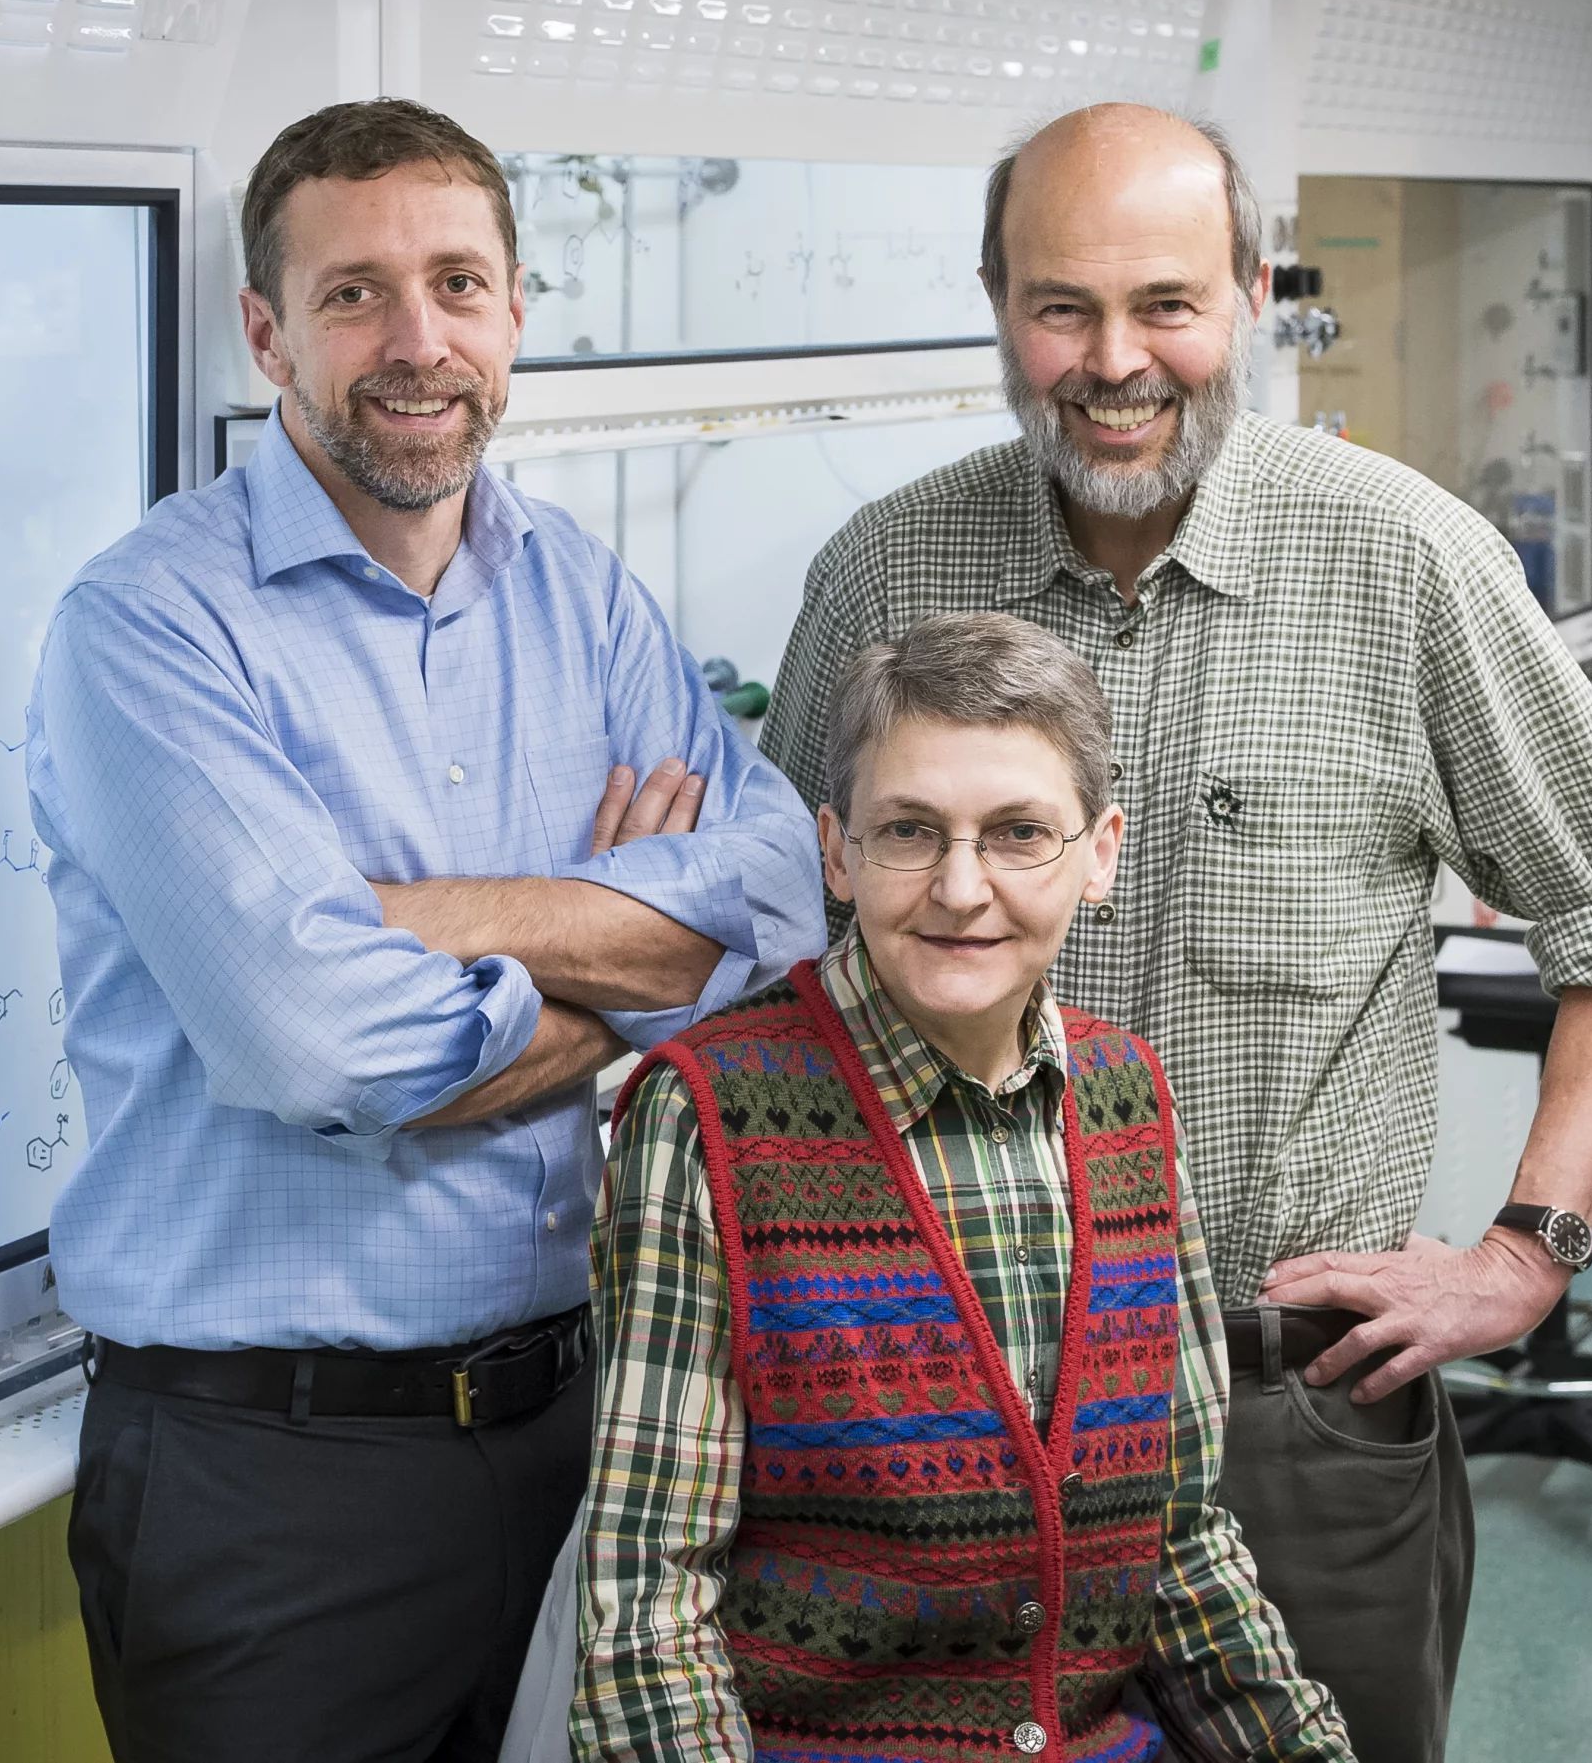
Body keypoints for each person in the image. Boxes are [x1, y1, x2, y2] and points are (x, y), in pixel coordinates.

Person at [756, 106, 1592, 1762]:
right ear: (995, 302)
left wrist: (1527, 1249)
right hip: (923, 1400)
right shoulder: (887, 571)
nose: (1114, 359)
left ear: (1255, 297)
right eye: (1061, 305)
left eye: (1168, 304)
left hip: (1289, 1415)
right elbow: (789, 937)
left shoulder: (1405, 562)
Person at [24, 97, 826, 1763]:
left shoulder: (579, 591)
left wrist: (405, 928)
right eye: (354, 294)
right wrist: (637, 969)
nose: (418, 340)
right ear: (265, 331)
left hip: (580, 1431)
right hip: (276, 1490)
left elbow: (778, 896)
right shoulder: (150, 627)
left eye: (460, 284)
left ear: (517, 314)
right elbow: (326, 1041)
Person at [575, 611, 1354, 1763]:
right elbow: (646, 1605)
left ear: (1101, 853)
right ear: (835, 851)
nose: (959, 885)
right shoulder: (708, 1117)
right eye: (909, 830)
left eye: (1018, 832)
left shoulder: (1128, 1098)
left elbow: (1181, 1544)